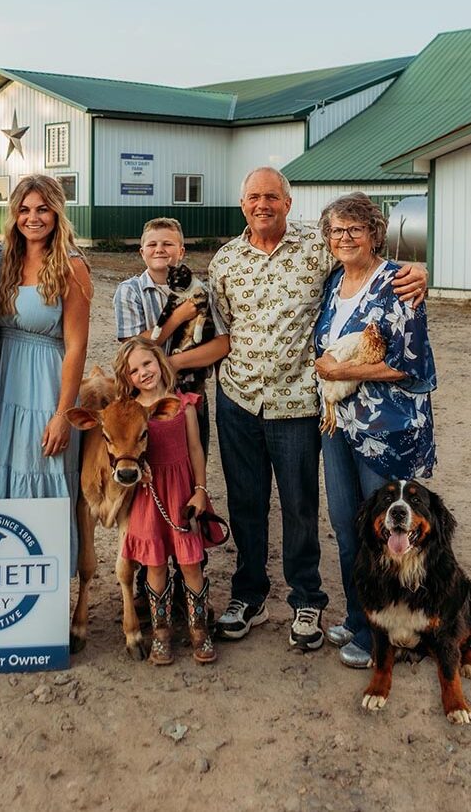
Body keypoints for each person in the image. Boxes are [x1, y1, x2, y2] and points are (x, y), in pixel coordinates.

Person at [208, 167, 429, 650]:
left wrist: (419, 271)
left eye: (271, 196)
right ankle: (248, 596)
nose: (261, 204)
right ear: (242, 204)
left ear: (288, 203)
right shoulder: (224, 261)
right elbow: (222, 332)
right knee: (245, 504)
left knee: (301, 507)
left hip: (298, 406)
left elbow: (371, 266)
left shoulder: (316, 249)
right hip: (239, 400)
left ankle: (307, 597)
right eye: (252, 197)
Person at [314, 192, 437, 668]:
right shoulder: (333, 284)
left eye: (354, 230)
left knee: (389, 533)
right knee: (349, 528)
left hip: (384, 432)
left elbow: (413, 364)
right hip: (338, 426)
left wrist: (346, 374)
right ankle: (360, 616)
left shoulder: (398, 284)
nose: (344, 238)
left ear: (374, 234)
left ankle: (384, 634)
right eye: (336, 231)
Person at [0, 176, 92, 575]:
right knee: (5, 473)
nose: (33, 218)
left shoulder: (72, 265)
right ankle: (8, 583)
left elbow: (77, 346)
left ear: (57, 212)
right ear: (14, 214)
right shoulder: (2, 259)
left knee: (43, 475)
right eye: (25, 209)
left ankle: (49, 594)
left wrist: (63, 414)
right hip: (6, 385)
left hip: (47, 385)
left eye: (42, 209)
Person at [113, 337, 219, 665]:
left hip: (181, 494)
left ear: (160, 362)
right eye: (133, 370)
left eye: (147, 363)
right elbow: (120, 451)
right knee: (155, 566)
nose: (143, 372)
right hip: (149, 497)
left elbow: (196, 449)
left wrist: (200, 489)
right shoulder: (129, 412)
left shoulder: (183, 405)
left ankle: (199, 629)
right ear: (126, 378)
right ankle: (161, 634)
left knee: (190, 563)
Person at [113, 216, 229, 455]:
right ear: (141, 252)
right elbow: (133, 350)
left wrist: (172, 364)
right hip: (142, 396)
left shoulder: (201, 290)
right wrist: (177, 317)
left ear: (182, 251)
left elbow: (221, 344)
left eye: (168, 244)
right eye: (152, 244)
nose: (159, 249)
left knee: (191, 457)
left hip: (189, 391)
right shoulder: (130, 291)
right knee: (147, 461)